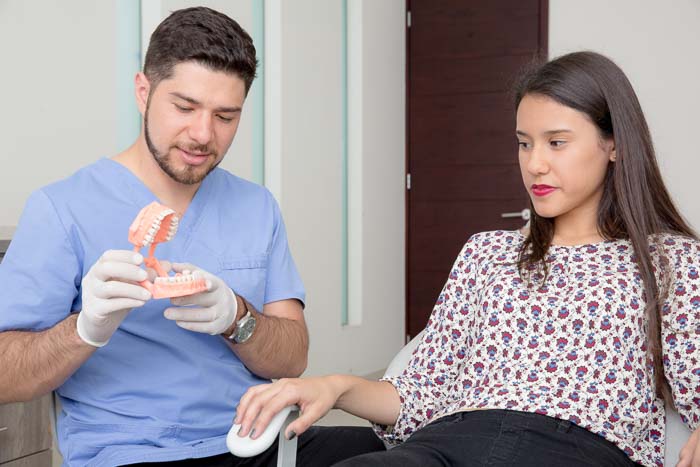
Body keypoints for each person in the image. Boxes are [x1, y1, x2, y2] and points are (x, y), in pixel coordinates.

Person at [234, 51, 700, 467]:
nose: (534, 163)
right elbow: (418, 393)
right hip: (451, 439)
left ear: (614, 143)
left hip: (578, 448)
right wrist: (335, 386)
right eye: (524, 142)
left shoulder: (670, 262)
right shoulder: (487, 252)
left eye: (556, 142)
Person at [0, 7, 384, 467]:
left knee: (419, 453)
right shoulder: (62, 209)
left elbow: (292, 358)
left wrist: (237, 318)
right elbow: (6, 375)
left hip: (255, 440)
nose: (203, 135)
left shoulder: (256, 206)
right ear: (143, 92)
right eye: (184, 107)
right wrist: (84, 330)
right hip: (130, 454)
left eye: (226, 116)